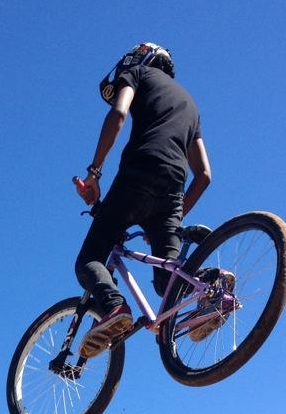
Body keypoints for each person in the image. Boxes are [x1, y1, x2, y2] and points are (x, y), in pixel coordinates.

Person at [74, 42, 212, 358]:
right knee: (169, 284)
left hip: (139, 174)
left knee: (89, 260)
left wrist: (94, 173)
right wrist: (171, 219)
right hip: (172, 191)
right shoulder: (191, 106)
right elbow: (203, 174)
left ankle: (113, 306)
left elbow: (118, 113)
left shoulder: (138, 73)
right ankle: (211, 287)